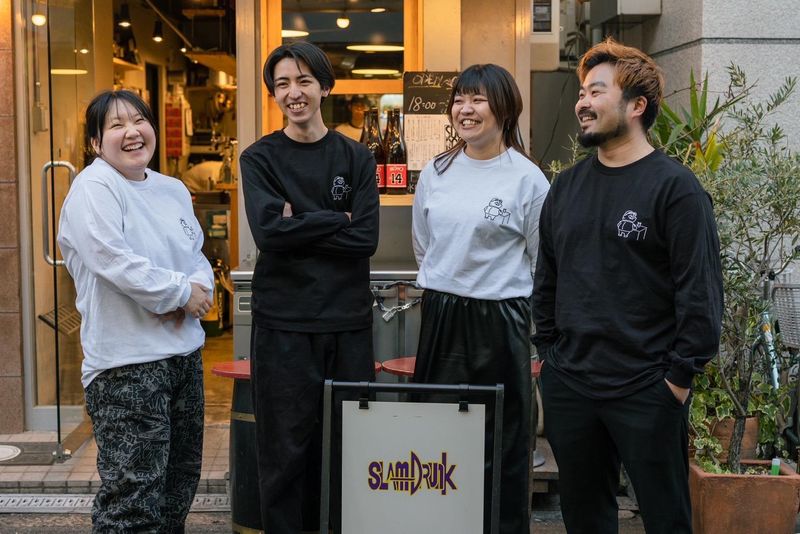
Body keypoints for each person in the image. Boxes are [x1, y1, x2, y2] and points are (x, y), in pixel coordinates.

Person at [532, 38, 724, 534]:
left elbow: (700, 295)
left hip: (648, 387)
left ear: (637, 105)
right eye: (582, 93)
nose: (582, 102)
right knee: (584, 518)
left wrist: (676, 381)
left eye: (596, 91)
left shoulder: (676, 189)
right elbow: (546, 280)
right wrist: (550, 359)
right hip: (572, 383)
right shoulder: (566, 187)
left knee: (666, 518)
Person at [57, 89, 214, 532]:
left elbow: (195, 254)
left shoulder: (172, 189)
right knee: (133, 499)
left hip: (183, 357)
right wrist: (179, 293)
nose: (132, 132)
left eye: (139, 120)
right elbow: (114, 262)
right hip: (126, 367)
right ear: (95, 143)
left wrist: (197, 288)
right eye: (116, 125)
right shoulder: (94, 188)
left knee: (177, 487)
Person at [239, 41, 379, 534]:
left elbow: (365, 238)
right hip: (283, 326)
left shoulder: (356, 157)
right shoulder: (259, 158)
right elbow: (268, 234)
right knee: (283, 454)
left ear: (324, 87)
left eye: (303, 81)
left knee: (348, 447)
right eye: (282, 84)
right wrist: (336, 218)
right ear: (274, 94)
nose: (293, 93)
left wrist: (299, 222)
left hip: (347, 325)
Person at [411, 63, 550, 534]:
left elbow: (541, 261)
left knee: (503, 437)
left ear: (505, 108)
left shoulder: (528, 179)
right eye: (459, 99)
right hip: (442, 312)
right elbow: (424, 246)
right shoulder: (436, 171)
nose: (465, 109)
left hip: (502, 318)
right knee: (437, 430)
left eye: (477, 99)